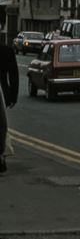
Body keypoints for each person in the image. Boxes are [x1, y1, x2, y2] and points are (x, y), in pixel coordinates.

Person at [0, 32, 18, 174]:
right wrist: (13, 95)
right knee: (2, 125)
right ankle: (1, 156)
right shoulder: (7, 51)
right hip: (3, 93)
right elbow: (13, 74)